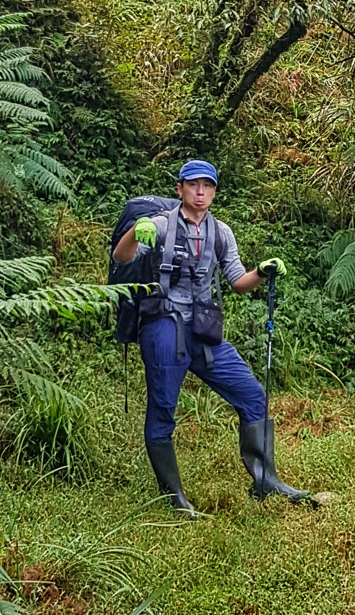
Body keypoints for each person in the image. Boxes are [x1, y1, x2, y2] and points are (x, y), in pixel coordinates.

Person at [112, 159, 316, 516]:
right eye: (193, 185)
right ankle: (173, 497)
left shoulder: (221, 232)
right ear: (180, 189)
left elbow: (237, 282)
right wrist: (134, 231)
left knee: (253, 395)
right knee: (163, 408)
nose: (200, 192)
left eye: (207, 186)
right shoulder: (160, 225)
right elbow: (123, 256)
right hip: (163, 327)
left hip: (203, 331)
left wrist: (262, 271)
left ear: (215, 191)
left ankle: (265, 480)